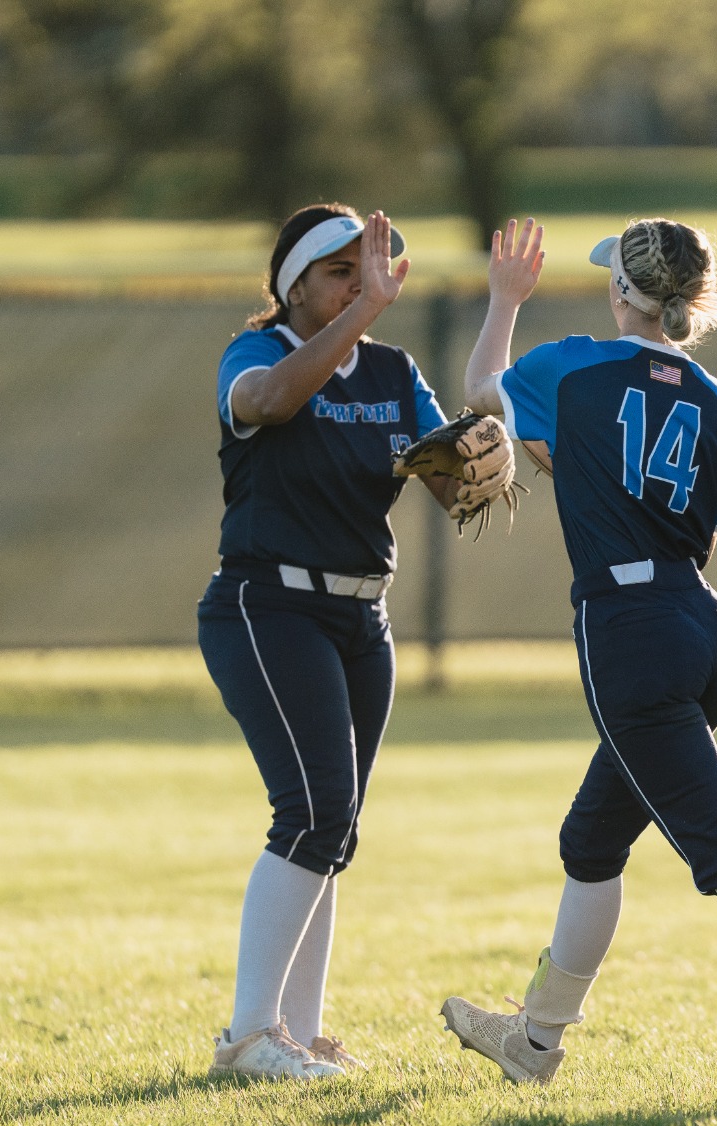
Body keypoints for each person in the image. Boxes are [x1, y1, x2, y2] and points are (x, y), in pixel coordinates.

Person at [438, 217, 717, 1095]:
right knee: (591, 839)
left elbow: (480, 387)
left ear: (621, 288)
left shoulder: (571, 364)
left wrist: (504, 299)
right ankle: (535, 1042)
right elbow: (707, 526)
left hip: (629, 631)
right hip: (701, 626)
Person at [198, 204, 514, 1080]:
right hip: (270, 605)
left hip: (360, 617)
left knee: (331, 829)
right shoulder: (256, 352)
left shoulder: (390, 369)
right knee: (313, 813)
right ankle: (249, 1036)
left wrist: (483, 459)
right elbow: (264, 403)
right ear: (293, 284)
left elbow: (447, 489)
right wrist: (361, 312)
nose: (359, 280)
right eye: (339, 270)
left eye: (367, 268)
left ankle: (295, 1032)